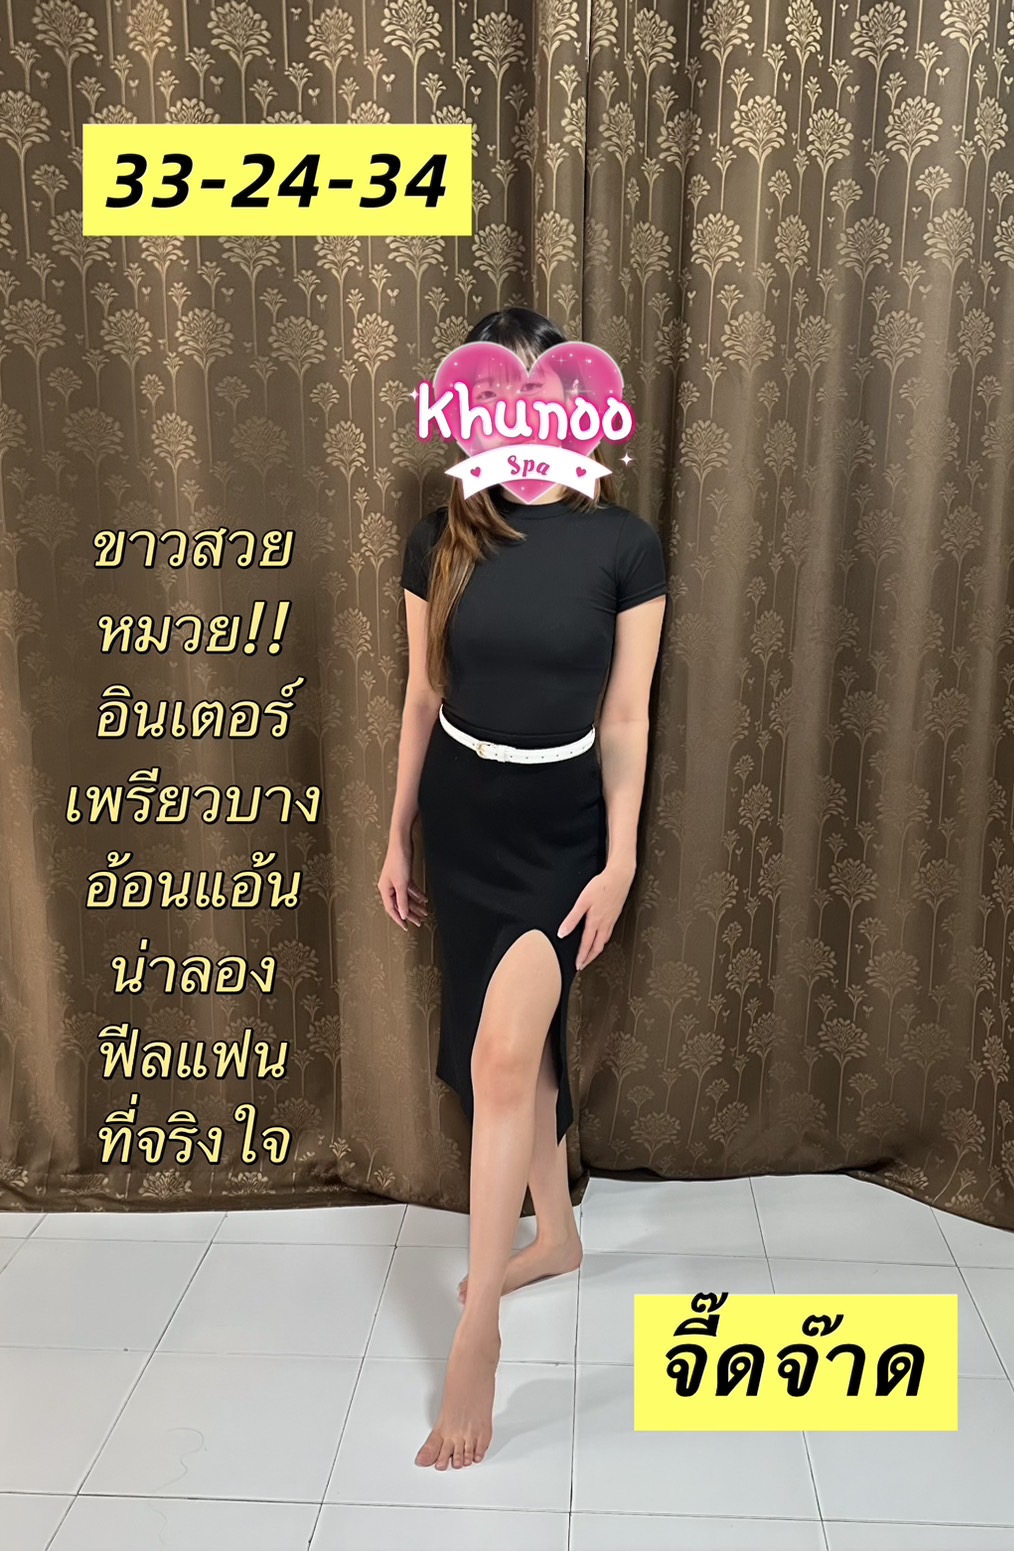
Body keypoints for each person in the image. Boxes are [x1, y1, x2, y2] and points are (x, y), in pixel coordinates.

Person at [378, 306, 667, 1470]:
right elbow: (419, 698)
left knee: (502, 1058)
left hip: (557, 829)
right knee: (515, 1049)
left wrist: (620, 856)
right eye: (504, 394)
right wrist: (395, 837)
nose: (526, 413)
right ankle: (553, 1238)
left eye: (547, 392)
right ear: (473, 407)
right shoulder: (438, 538)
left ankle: (477, 1337)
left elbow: (626, 716)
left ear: (579, 406)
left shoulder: (623, 545)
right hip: (460, 815)